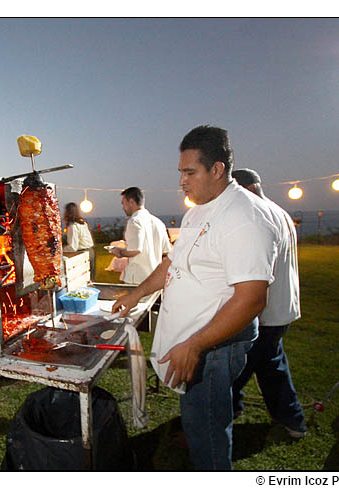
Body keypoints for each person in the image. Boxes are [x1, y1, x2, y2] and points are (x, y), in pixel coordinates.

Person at [112, 125, 278, 470]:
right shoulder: (198, 210)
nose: (182, 182)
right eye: (181, 173)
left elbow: (251, 299)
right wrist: (136, 295)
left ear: (217, 169)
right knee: (197, 420)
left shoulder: (245, 217)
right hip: (196, 340)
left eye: (190, 172)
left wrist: (195, 345)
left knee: (208, 432)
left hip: (216, 347)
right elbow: (172, 262)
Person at [230, 168, 307, 438]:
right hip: (281, 308)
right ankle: (291, 420)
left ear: (248, 189)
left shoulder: (258, 215)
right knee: (270, 364)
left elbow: (259, 272)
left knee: (237, 367)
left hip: (265, 311)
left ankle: (221, 417)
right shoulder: (280, 212)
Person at [110, 187, 172, 284]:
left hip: (138, 278)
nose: (123, 208)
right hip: (155, 277)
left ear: (131, 202)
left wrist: (119, 252)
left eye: (123, 203)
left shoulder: (134, 221)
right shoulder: (158, 222)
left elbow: (135, 250)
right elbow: (166, 251)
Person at [62, 202, 96, 279]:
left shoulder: (73, 226)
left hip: (83, 253)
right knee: (91, 279)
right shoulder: (82, 223)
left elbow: (73, 247)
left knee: (83, 280)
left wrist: (61, 251)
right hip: (90, 252)